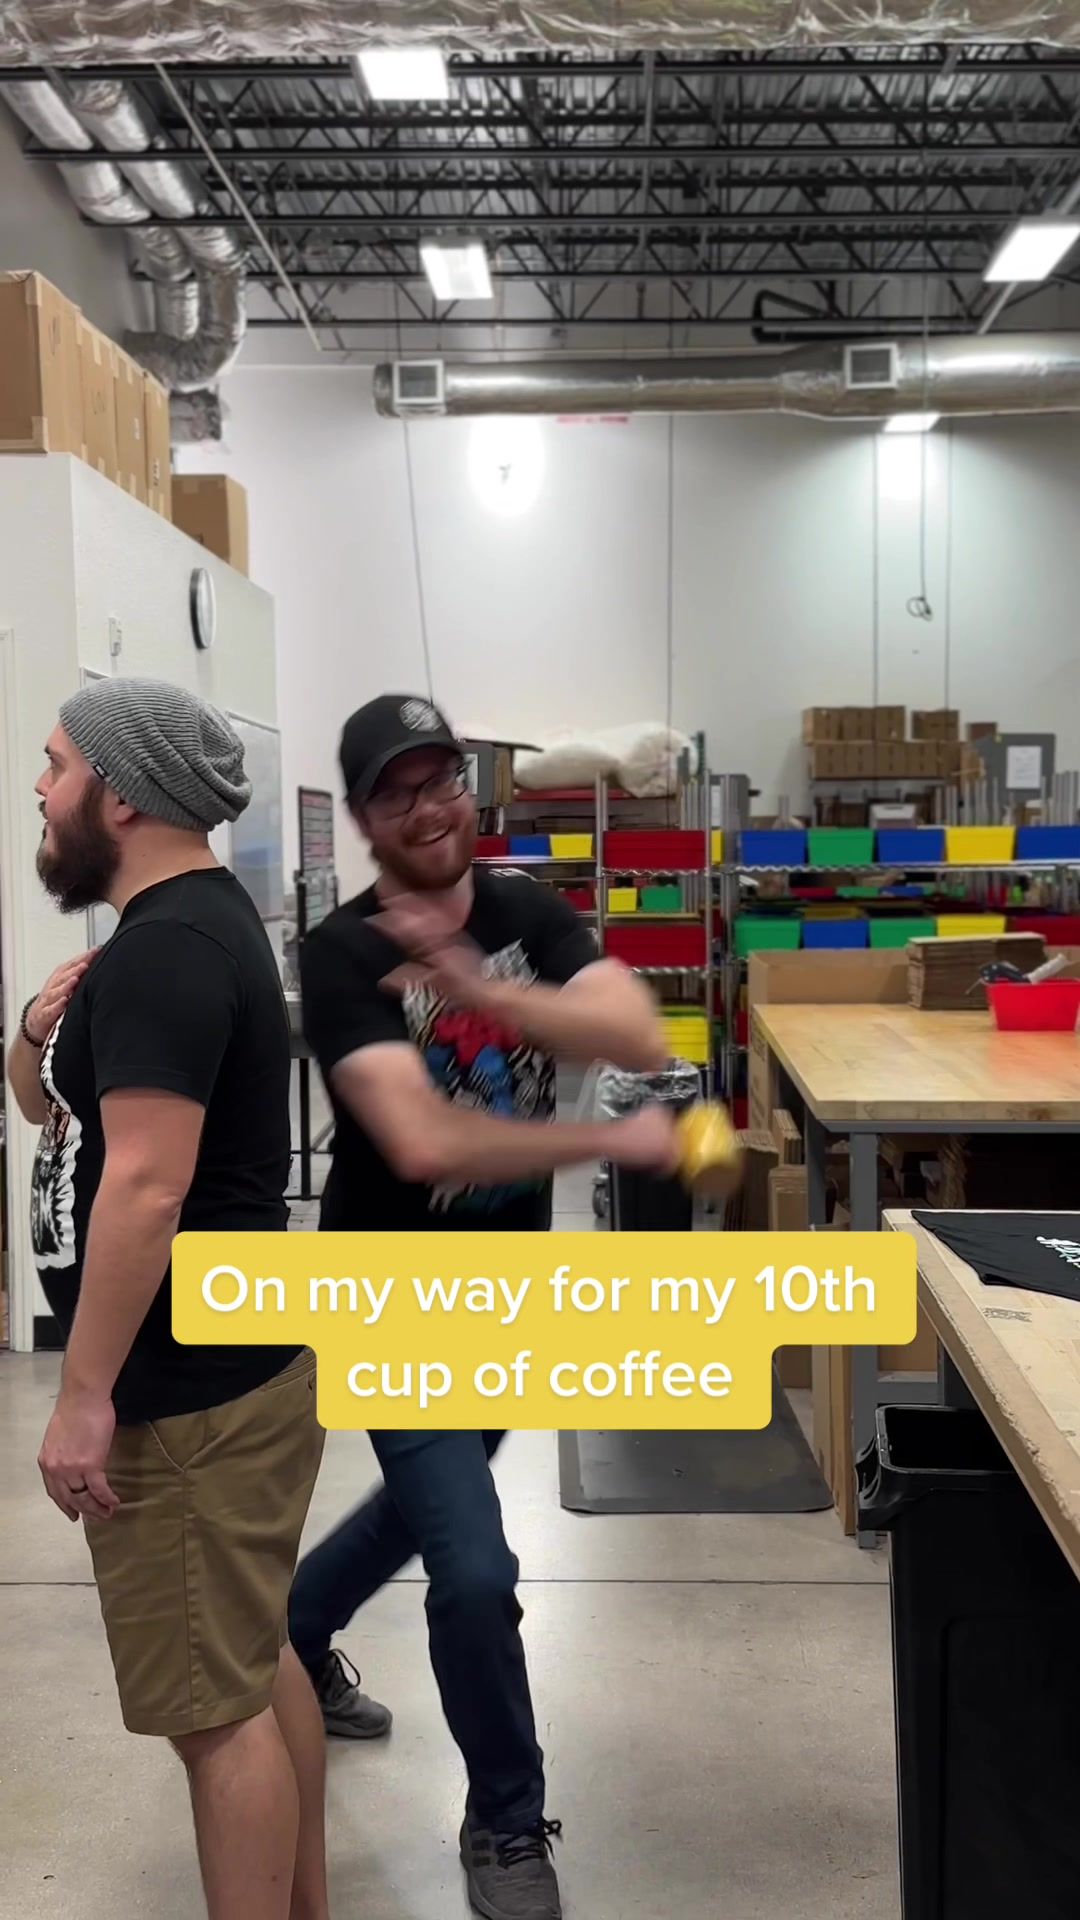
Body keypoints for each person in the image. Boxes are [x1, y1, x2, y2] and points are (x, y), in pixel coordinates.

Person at [291, 692, 679, 1920]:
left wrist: (490, 993)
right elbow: (422, 1140)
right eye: (399, 792)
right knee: (473, 1564)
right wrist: (606, 1139)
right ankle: (506, 1822)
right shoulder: (341, 953)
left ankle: (291, 1632)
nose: (430, 808)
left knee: (427, 1510)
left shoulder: (524, 913)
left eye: (443, 779)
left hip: (506, 1294)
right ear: (364, 820)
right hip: (390, 1294)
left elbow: (634, 1026)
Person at [7, 677, 328, 1920]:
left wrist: (83, 1395)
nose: (40, 789)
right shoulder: (180, 930)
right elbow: (65, 1120)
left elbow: (144, 1187)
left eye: (57, 766)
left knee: (214, 1718)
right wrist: (33, 1034)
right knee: (250, 1661)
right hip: (226, 1369)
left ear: (122, 794)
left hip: (186, 1397)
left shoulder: (167, 954)